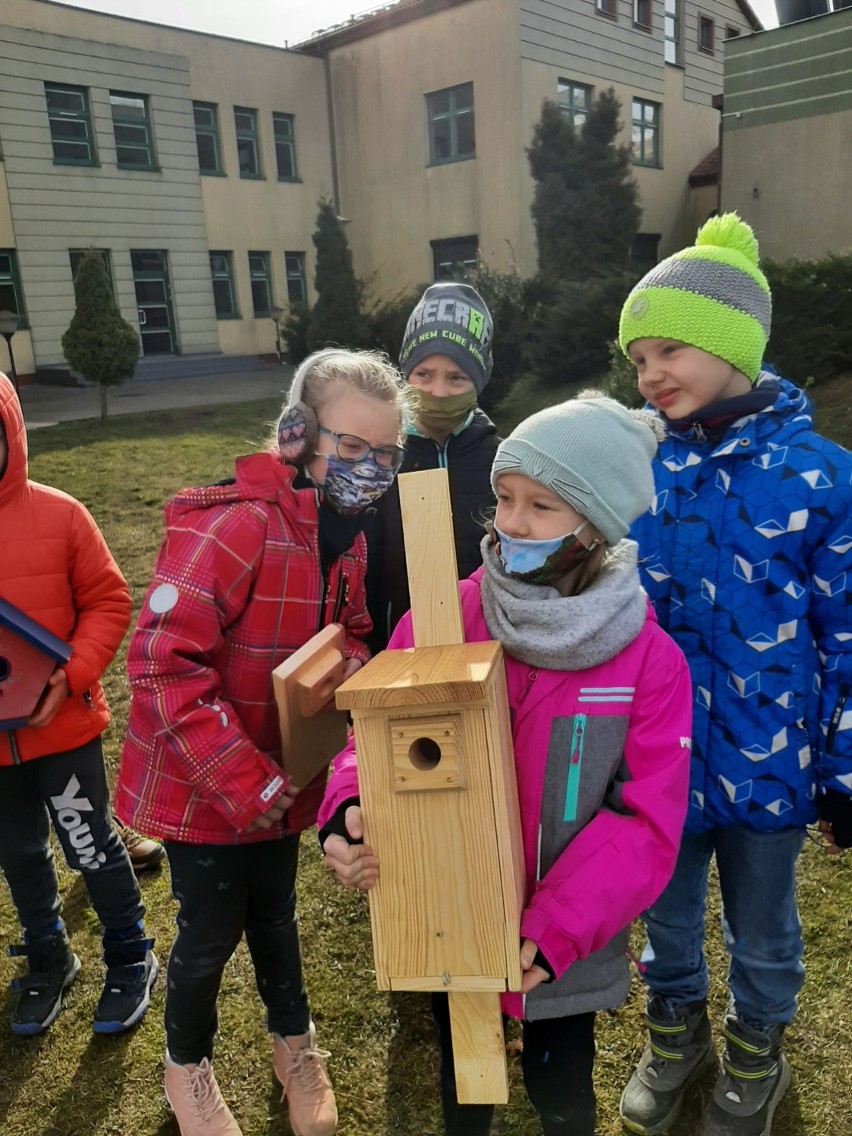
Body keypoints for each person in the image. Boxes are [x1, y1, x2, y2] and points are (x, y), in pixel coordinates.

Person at [319, 393, 693, 1136]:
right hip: (449, 906)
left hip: (559, 944)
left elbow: (645, 818)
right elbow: (377, 737)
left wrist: (555, 929)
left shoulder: (647, 660)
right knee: (466, 1083)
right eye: (504, 497)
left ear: (595, 524)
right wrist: (349, 808)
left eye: (542, 505)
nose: (512, 522)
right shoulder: (442, 619)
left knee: (563, 1092)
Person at [114, 348, 408, 1136]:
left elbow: (349, 629)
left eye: (387, 453)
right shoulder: (240, 526)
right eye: (352, 447)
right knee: (207, 935)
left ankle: (295, 1048)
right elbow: (159, 663)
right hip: (205, 785)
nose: (370, 468)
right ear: (298, 434)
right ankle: (188, 1071)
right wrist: (247, 784)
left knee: (275, 916)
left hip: (282, 782)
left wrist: (353, 662)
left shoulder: (347, 538)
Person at [616, 213, 852, 1136]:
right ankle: (675, 1031)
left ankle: (758, 1042)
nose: (651, 374)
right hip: (659, 760)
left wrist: (842, 771)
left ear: (733, 344)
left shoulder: (822, 479)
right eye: (638, 359)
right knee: (665, 916)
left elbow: (848, 635)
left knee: (765, 927)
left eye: (670, 347)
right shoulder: (637, 466)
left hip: (771, 761)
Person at [0, 372, 157, 1038]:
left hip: (62, 733)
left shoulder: (60, 514)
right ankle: (48, 953)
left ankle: (130, 953)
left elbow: (108, 599)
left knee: (91, 846)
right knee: (19, 855)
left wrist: (73, 673)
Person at [366, 281, 500, 651]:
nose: (438, 392)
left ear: (479, 380)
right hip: (395, 644)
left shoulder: (501, 462)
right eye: (424, 374)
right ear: (405, 373)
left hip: (483, 644)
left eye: (456, 377)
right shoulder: (378, 457)